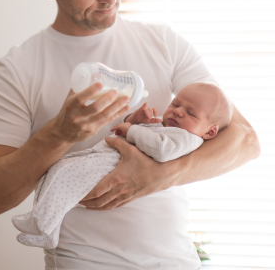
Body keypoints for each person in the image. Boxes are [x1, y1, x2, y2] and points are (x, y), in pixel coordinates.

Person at [0, 0, 259, 270]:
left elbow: (244, 141)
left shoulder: (164, 43)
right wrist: (59, 133)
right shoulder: (18, 69)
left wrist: (158, 176)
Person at [12, 82, 233, 249]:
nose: (178, 111)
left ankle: (41, 220)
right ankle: (48, 229)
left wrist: (132, 130)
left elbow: (162, 151)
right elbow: (138, 135)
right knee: (56, 169)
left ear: (210, 131)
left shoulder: (188, 138)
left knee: (63, 173)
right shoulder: (164, 126)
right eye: (176, 104)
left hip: (113, 165)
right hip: (106, 157)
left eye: (191, 113)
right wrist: (134, 120)